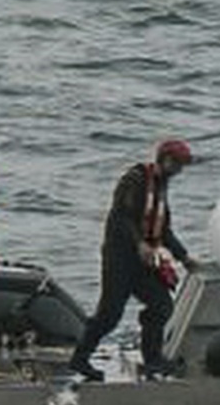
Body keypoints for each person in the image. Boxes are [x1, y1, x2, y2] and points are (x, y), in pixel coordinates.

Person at [68, 138, 200, 381]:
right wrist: (138, 243)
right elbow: (121, 217)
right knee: (109, 314)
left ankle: (152, 360)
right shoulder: (135, 179)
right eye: (178, 165)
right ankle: (80, 358)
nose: (180, 171)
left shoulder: (161, 188)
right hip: (120, 259)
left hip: (145, 263)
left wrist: (184, 257)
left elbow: (164, 230)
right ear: (166, 160)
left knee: (161, 305)